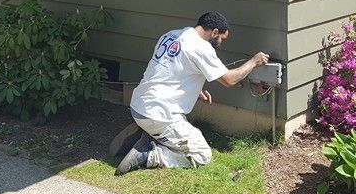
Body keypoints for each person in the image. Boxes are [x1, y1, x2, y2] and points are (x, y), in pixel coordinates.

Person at [112, 11, 270, 175]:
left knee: (170, 129)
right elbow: (229, 79)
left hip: (138, 106)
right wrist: (254, 61)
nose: (220, 44)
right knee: (202, 154)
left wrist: (195, 89)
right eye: (222, 38)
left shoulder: (172, 35)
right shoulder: (201, 48)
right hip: (159, 114)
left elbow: (169, 68)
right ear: (214, 32)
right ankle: (148, 155)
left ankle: (148, 133)